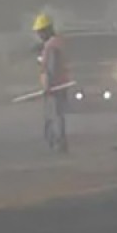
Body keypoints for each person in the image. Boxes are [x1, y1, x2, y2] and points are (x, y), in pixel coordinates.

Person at [34, 11, 70, 152]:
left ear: (46, 30)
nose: (39, 35)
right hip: (58, 85)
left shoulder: (52, 46)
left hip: (55, 87)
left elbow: (51, 68)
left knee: (55, 116)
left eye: (40, 32)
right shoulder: (56, 43)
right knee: (57, 115)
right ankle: (58, 141)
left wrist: (48, 86)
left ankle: (58, 142)